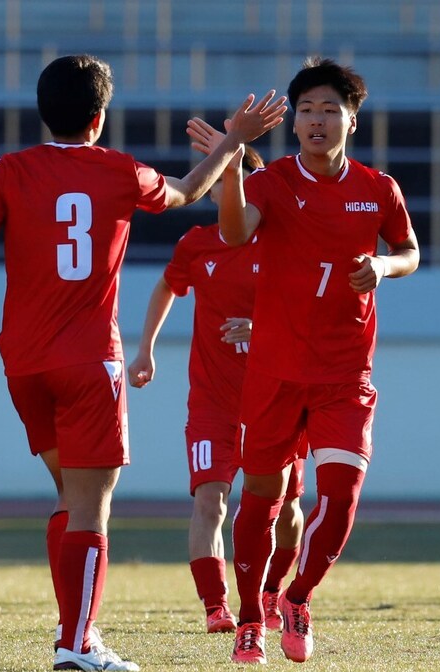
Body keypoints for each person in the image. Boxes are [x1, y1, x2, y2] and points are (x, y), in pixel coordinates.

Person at [0, 54, 287, 672]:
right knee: (93, 504)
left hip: (23, 361)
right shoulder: (119, 171)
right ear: (99, 118)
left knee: (69, 499)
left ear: (45, 112)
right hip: (89, 360)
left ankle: (73, 627)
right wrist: (234, 139)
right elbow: (186, 192)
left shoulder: (8, 170)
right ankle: (78, 640)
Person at [188, 57, 420, 664]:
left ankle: (298, 596)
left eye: (330, 110)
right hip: (275, 371)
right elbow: (236, 233)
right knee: (262, 498)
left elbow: (410, 251)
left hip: (345, 372)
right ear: (293, 123)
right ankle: (247, 620)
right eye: (307, 111)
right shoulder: (273, 183)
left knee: (340, 494)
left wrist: (383, 268)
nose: (317, 121)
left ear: (352, 120)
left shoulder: (378, 189)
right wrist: (235, 159)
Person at [127, 146, 306, 636]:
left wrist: (262, 326)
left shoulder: (284, 244)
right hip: (213, 403)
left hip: (277, 398)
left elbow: (313, 313)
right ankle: (215, 607)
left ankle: (271, 593)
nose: (230, 188)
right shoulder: (196, 244)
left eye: (238, 178)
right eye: (223, 179)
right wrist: (145, 349)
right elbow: (167, 286)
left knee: (286, 507)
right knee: (210, 500)